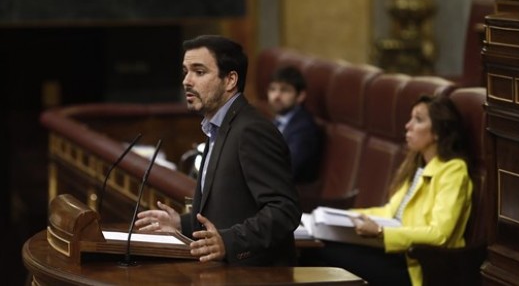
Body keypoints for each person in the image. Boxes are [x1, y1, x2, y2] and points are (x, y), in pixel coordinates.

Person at [134, 35, 302, 266]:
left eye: (199, 72)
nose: (187, 81)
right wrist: (181, 224)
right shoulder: (218, 128)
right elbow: (230, 208)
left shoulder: (251, 131)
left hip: (257, 276)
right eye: (185, 71)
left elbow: (285, 211)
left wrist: (230, 242)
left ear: (230, 80)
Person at [303, 95, 473, 286]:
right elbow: (391, 212)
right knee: (320, 244)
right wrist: (344, 218)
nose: (408, 126)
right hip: (393, 252)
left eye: (418, 119)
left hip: (418, 266)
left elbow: (440, 234)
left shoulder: (453, 170)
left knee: (320, 251)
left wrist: (381, 231)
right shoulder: (418, 166)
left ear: (438, 132)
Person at [267, 65, 323, 183]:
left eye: (285, 90)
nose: (276, 96)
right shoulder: (275, 121)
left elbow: (288, 169)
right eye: (272, 89)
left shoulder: (304, 128)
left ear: (300, 96)